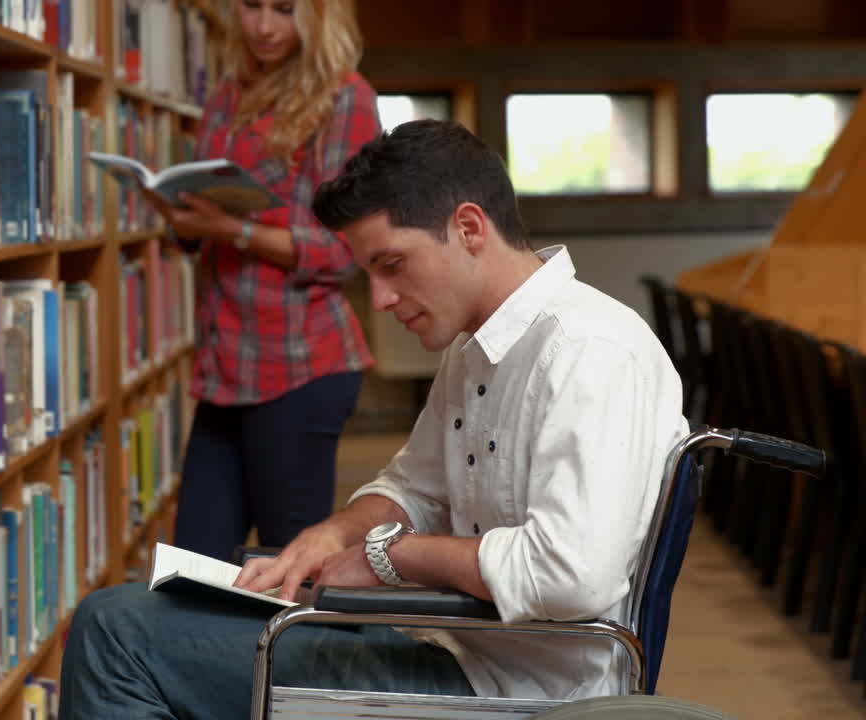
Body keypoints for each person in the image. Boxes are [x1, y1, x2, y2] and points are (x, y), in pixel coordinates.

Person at [59, 119, 688, 719]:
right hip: (448, 644)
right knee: (150, 612)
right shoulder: (475, 348)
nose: (380, 299)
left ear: (469, 228)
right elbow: (413, 488)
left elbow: (570, 576)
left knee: (115, 632)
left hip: (516, 688)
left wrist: (392, 557)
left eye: (391, 265)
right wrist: (333, 535)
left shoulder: (590, 351)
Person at [150, 0, 380, 562]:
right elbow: (205, 227)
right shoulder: (226, 98)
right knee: (190, 569)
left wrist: (232, 229)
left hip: (299, 365)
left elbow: (342, 249)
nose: (264, 26)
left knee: (289, 568)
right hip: (224, 366)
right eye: (251, 6)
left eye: (284, 9)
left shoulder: (346, 99)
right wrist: (183, 218)